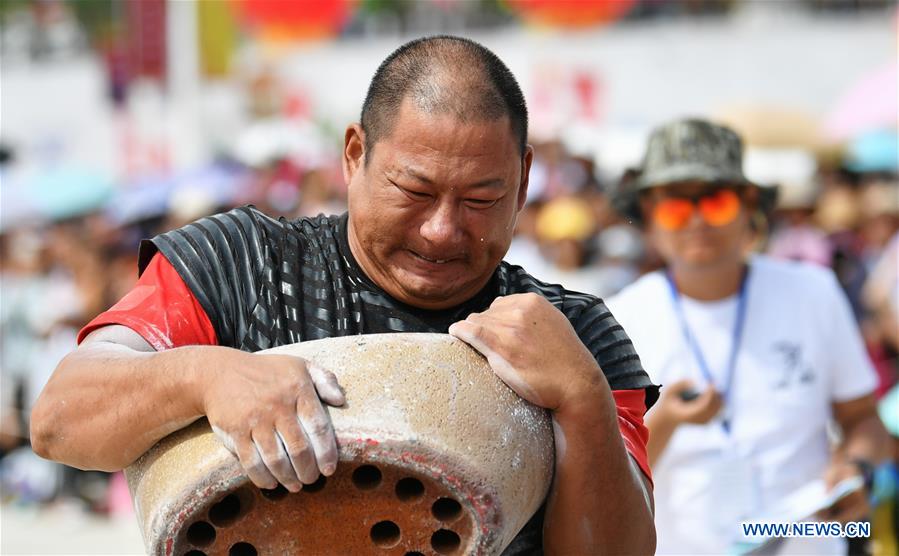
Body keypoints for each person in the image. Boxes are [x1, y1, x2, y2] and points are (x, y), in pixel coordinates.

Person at [30, 36, 657, 554]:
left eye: (481, 201)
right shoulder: (241, 263)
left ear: (523, 184)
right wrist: (204, 375)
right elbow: (60, 422)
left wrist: (581, 397)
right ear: (354, 155)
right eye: (413, 191)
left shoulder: (572, 333)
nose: (442, 229)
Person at [607, 118, 890, 554]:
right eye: (676, 207)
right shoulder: (620, 320)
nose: (698, 221)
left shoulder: (812, 292)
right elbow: (607, 478)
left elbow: (863, 420)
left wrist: (857, 469)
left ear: (748, 206)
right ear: (648, 216)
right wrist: (667, 422)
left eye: (716, 201)